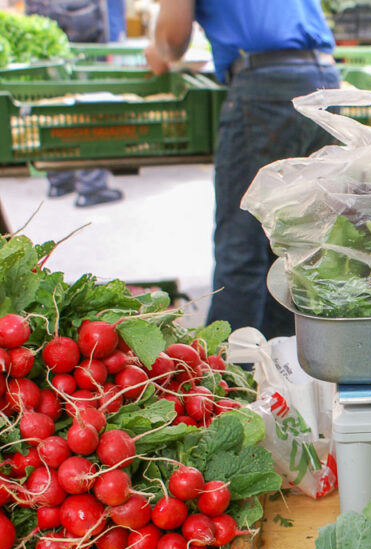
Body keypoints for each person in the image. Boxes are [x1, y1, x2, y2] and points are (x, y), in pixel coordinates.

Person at [144, 0, 341, 340]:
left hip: (267, 89)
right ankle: (290, 366)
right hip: (323, 79)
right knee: (296, 244)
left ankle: (229, 378)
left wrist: (157, 49)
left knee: (243, 245)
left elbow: (173, 41)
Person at [26, 0, 125, 208]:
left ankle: (58, 177)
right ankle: (91, 185)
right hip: (79, 9)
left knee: (51, 89)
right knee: (90, 92)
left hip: (41, 7)